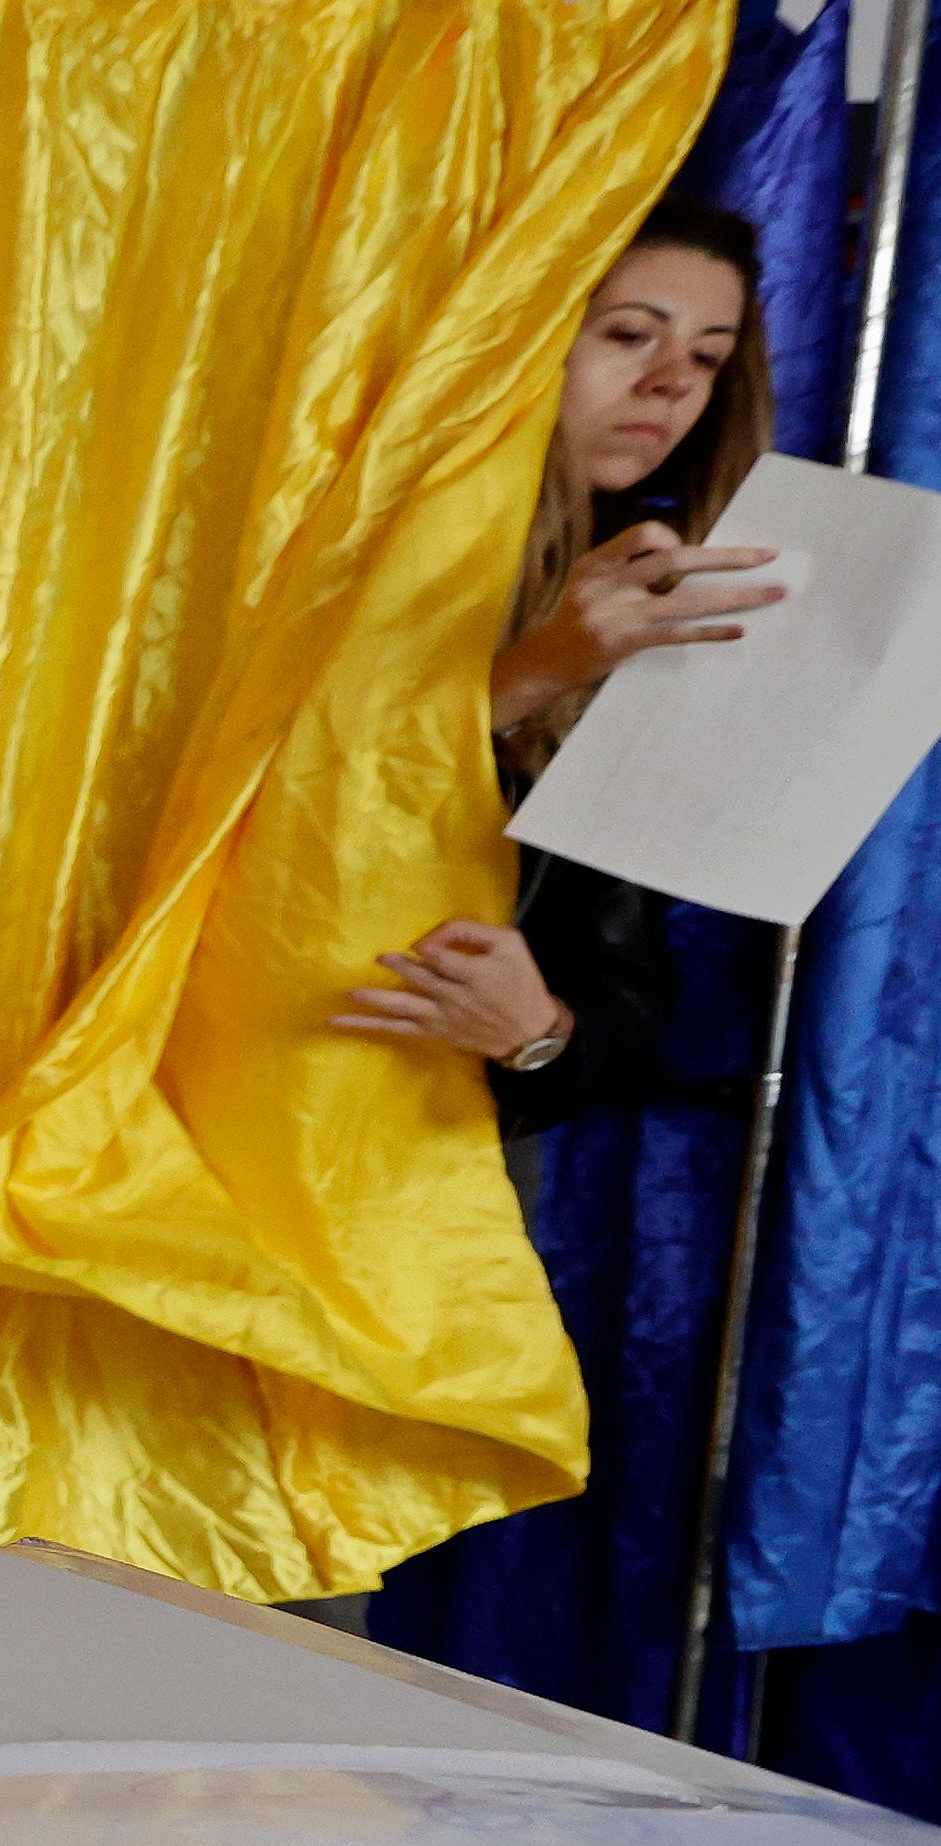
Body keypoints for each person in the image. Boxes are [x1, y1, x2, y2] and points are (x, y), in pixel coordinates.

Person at [329, 199, 785, 1141]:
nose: (671, 382)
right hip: (254, 1085)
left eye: (707, 358)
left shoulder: (653, 595)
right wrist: (536, 673)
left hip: (441, 1134)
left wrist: (538, 1034)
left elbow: (625, 967)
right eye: (629, 335)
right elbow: (282, 808)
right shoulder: (361, 535)